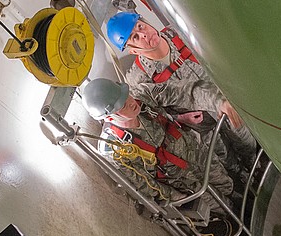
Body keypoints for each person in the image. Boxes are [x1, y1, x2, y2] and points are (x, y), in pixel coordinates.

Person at [106, 11, 257, 171]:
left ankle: (257, 166)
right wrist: (179, 118)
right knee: (226, 160)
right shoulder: (140, 79)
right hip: (201, 126)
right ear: (133, 51)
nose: (143, 35)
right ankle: (247, 179)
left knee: (247, 141)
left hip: (225, 102)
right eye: (135, 37)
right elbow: (152, 115)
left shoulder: (180, 32)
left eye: (140, 27)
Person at [80, 78, 234, 216]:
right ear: (109, 117)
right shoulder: (114, 149)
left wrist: (215, 102)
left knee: (227, 185)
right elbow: (147, 184)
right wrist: (179, 199)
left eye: (126, 95)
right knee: (221, 207)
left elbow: (184, 91)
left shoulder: (141, 95)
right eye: (123, 105)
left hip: (197, 152)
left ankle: (239, 200)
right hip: (184, 181)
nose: (132, 102)